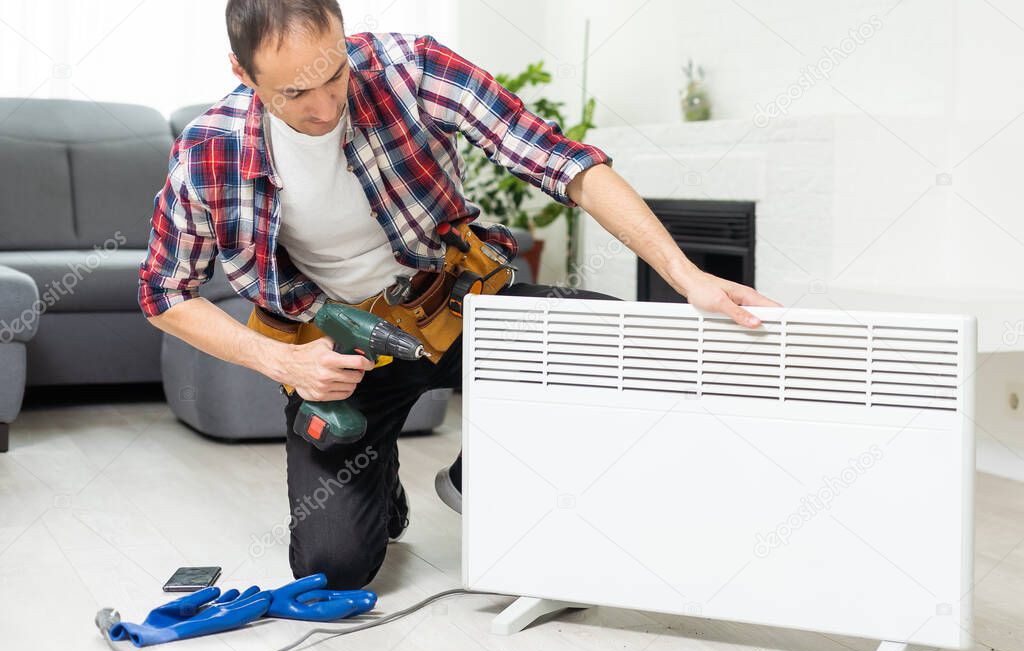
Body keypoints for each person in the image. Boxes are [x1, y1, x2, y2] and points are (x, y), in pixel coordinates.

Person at [139, 0, 780, 589]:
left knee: (614, 341)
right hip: (345, 360)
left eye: (334, 75)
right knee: (334, 570)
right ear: (242, 73)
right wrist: (283, 361)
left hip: (455, 310)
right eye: (295, 93)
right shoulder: (209, 152)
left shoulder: (409, 70)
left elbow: (564, 162)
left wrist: (686, 276)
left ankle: (479, 477)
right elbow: (164, 291)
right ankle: (378, 477)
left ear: (343, 35)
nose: (327, 107)